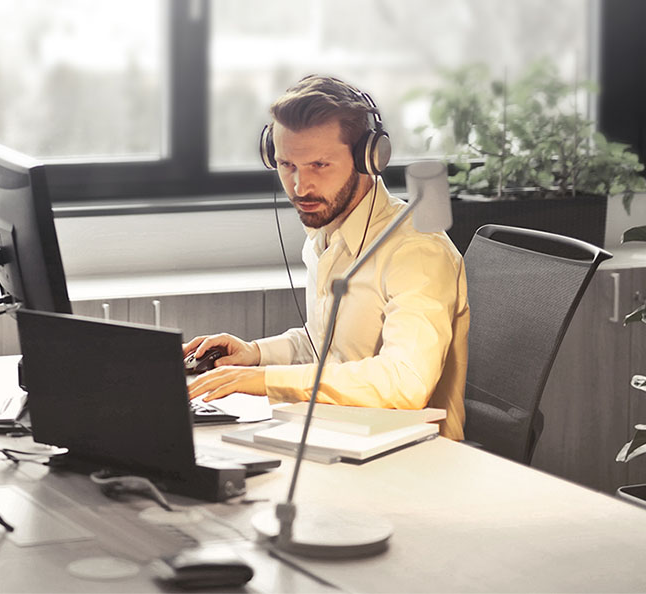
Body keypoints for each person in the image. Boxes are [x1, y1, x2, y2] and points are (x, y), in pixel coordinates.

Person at [184, 75, 469, 440]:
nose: (300, 188)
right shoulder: (325, 234)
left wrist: (266, 381)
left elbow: (405, 383)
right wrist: (254, 354)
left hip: (412, 456)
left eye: (319, 165)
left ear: (369, 158)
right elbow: (328, 348)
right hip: (337, 434)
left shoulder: (417, 251)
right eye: (287, 165)